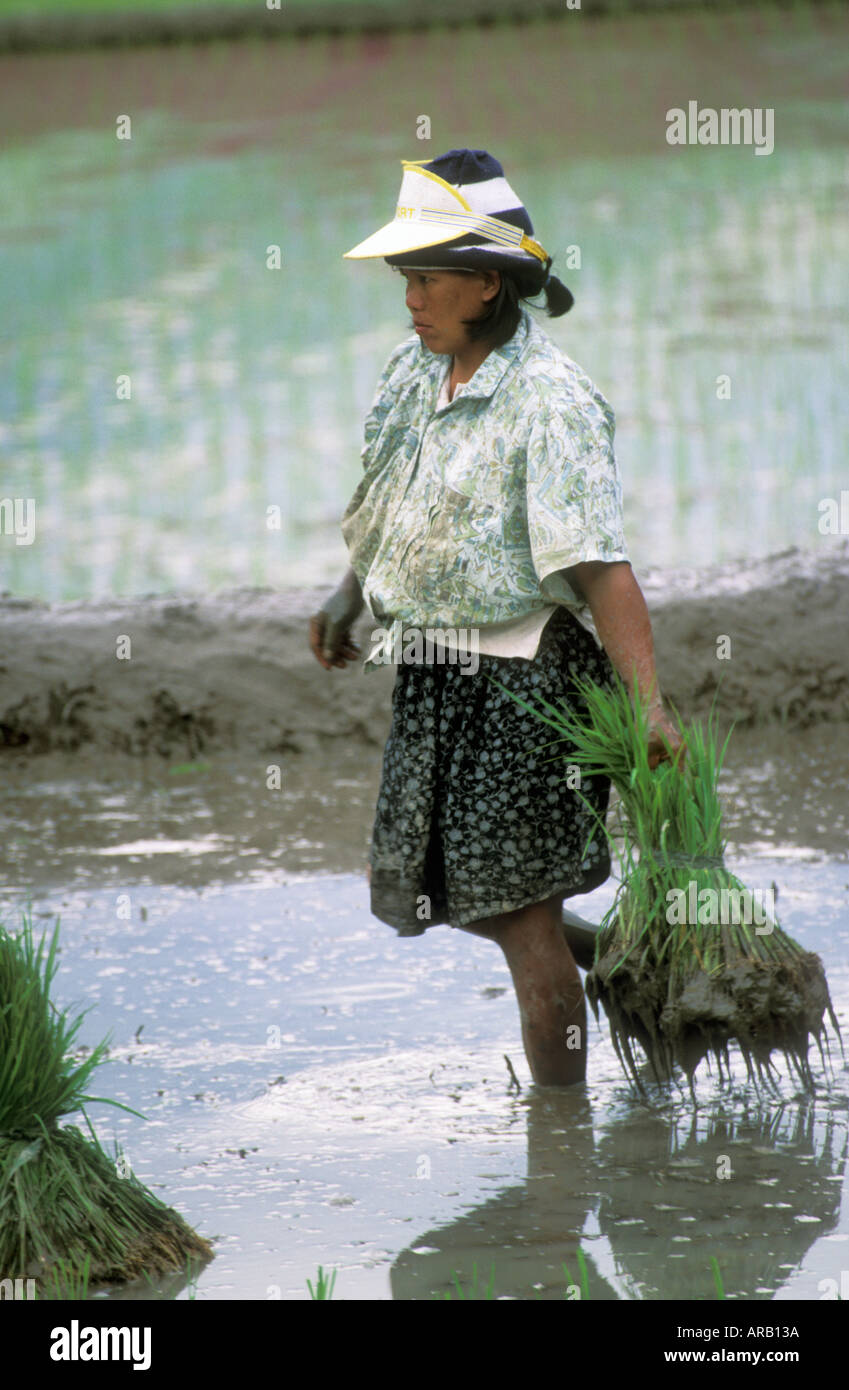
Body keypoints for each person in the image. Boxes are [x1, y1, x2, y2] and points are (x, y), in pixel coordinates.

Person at [309, 149, 684, 1087]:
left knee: (518, 921)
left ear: (485, 283)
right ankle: (612, 957)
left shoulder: (548, 404)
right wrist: (348, 593)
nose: (410, 300)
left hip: (528, 687)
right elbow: (393, 498)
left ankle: (559, 1142)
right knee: (453, 887)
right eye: (405, 279)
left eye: (427, 279)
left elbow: (603, 573)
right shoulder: (412, 372)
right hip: (433, 669)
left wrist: (647, 708)